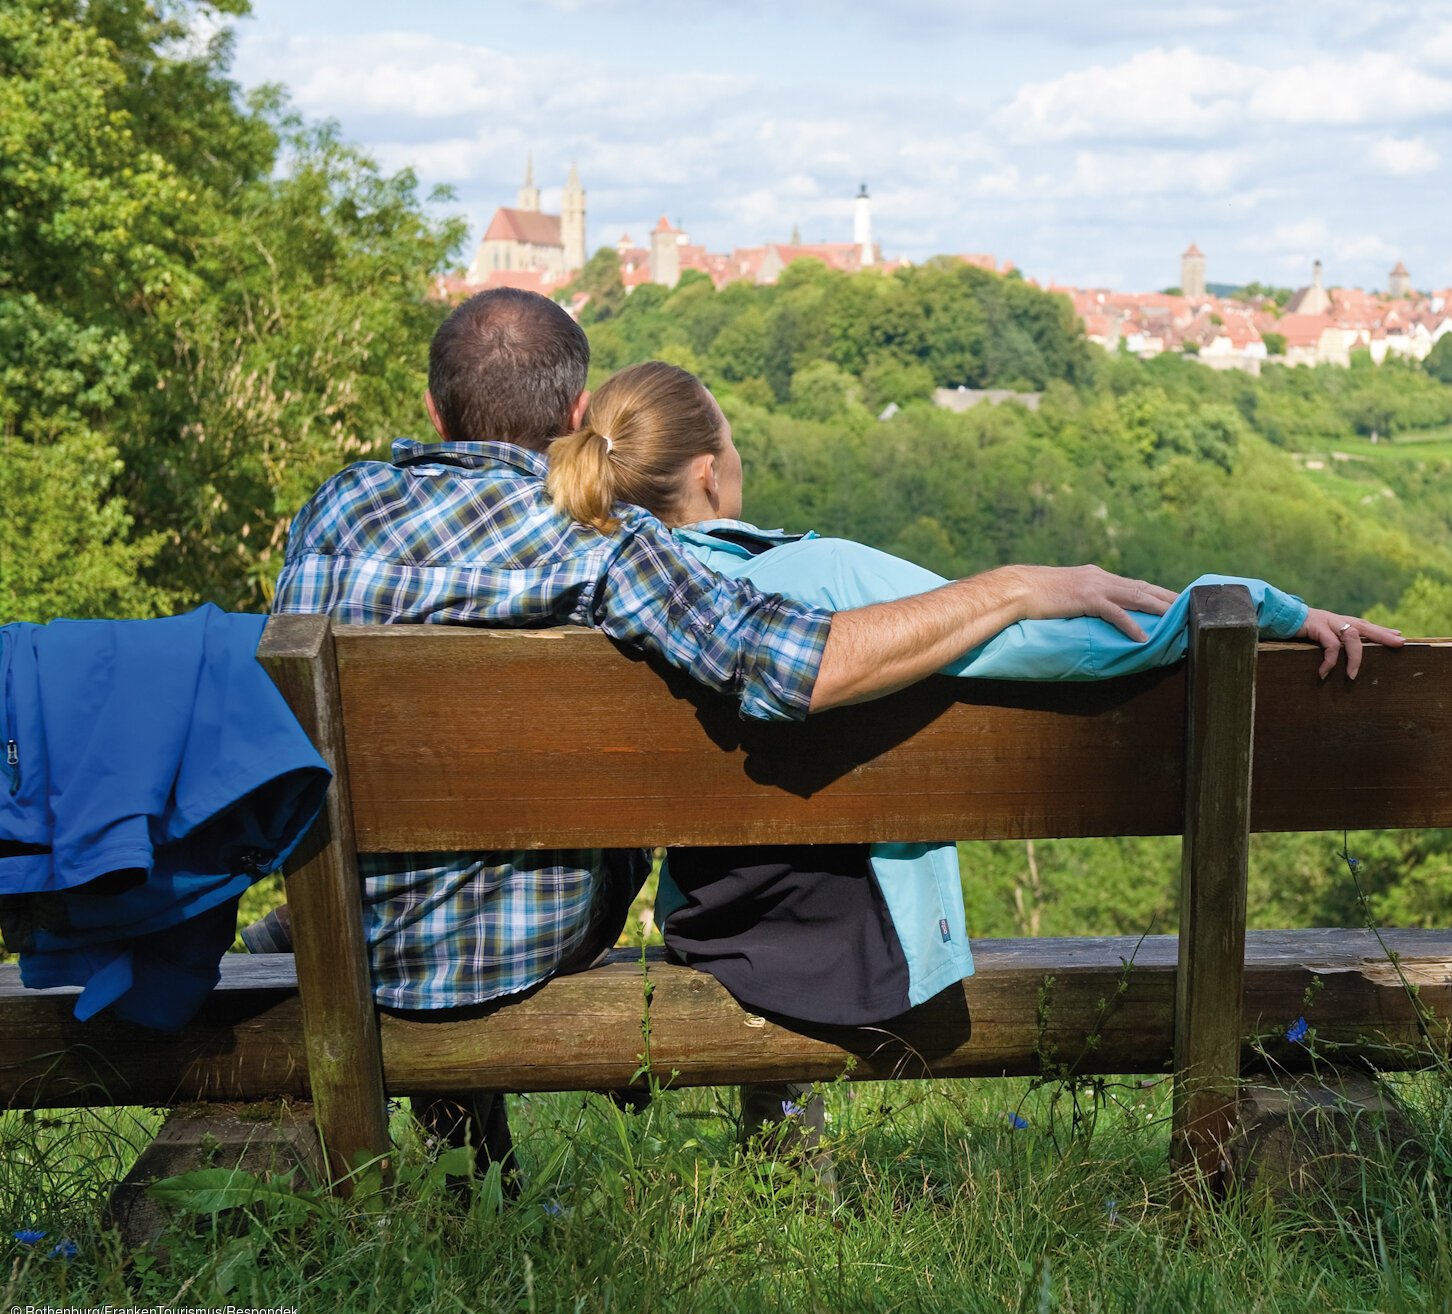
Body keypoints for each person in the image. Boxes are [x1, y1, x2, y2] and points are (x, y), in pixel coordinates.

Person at [257, 289, 1190, 1177]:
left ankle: (456, 1152)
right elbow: (793, 665)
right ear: (577, 409)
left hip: (355, 923)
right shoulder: (600, 538)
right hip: (522, 939)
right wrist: (1014, 586)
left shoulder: (330, 512)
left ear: (432, 406)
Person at [536, 359, 1400, 1033]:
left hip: (708, 927)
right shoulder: (830, 577)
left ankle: (782, 1166)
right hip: (848, 949)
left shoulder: (591, 593)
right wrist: (1266, 607)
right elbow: (1079, 650)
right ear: (708, 474)